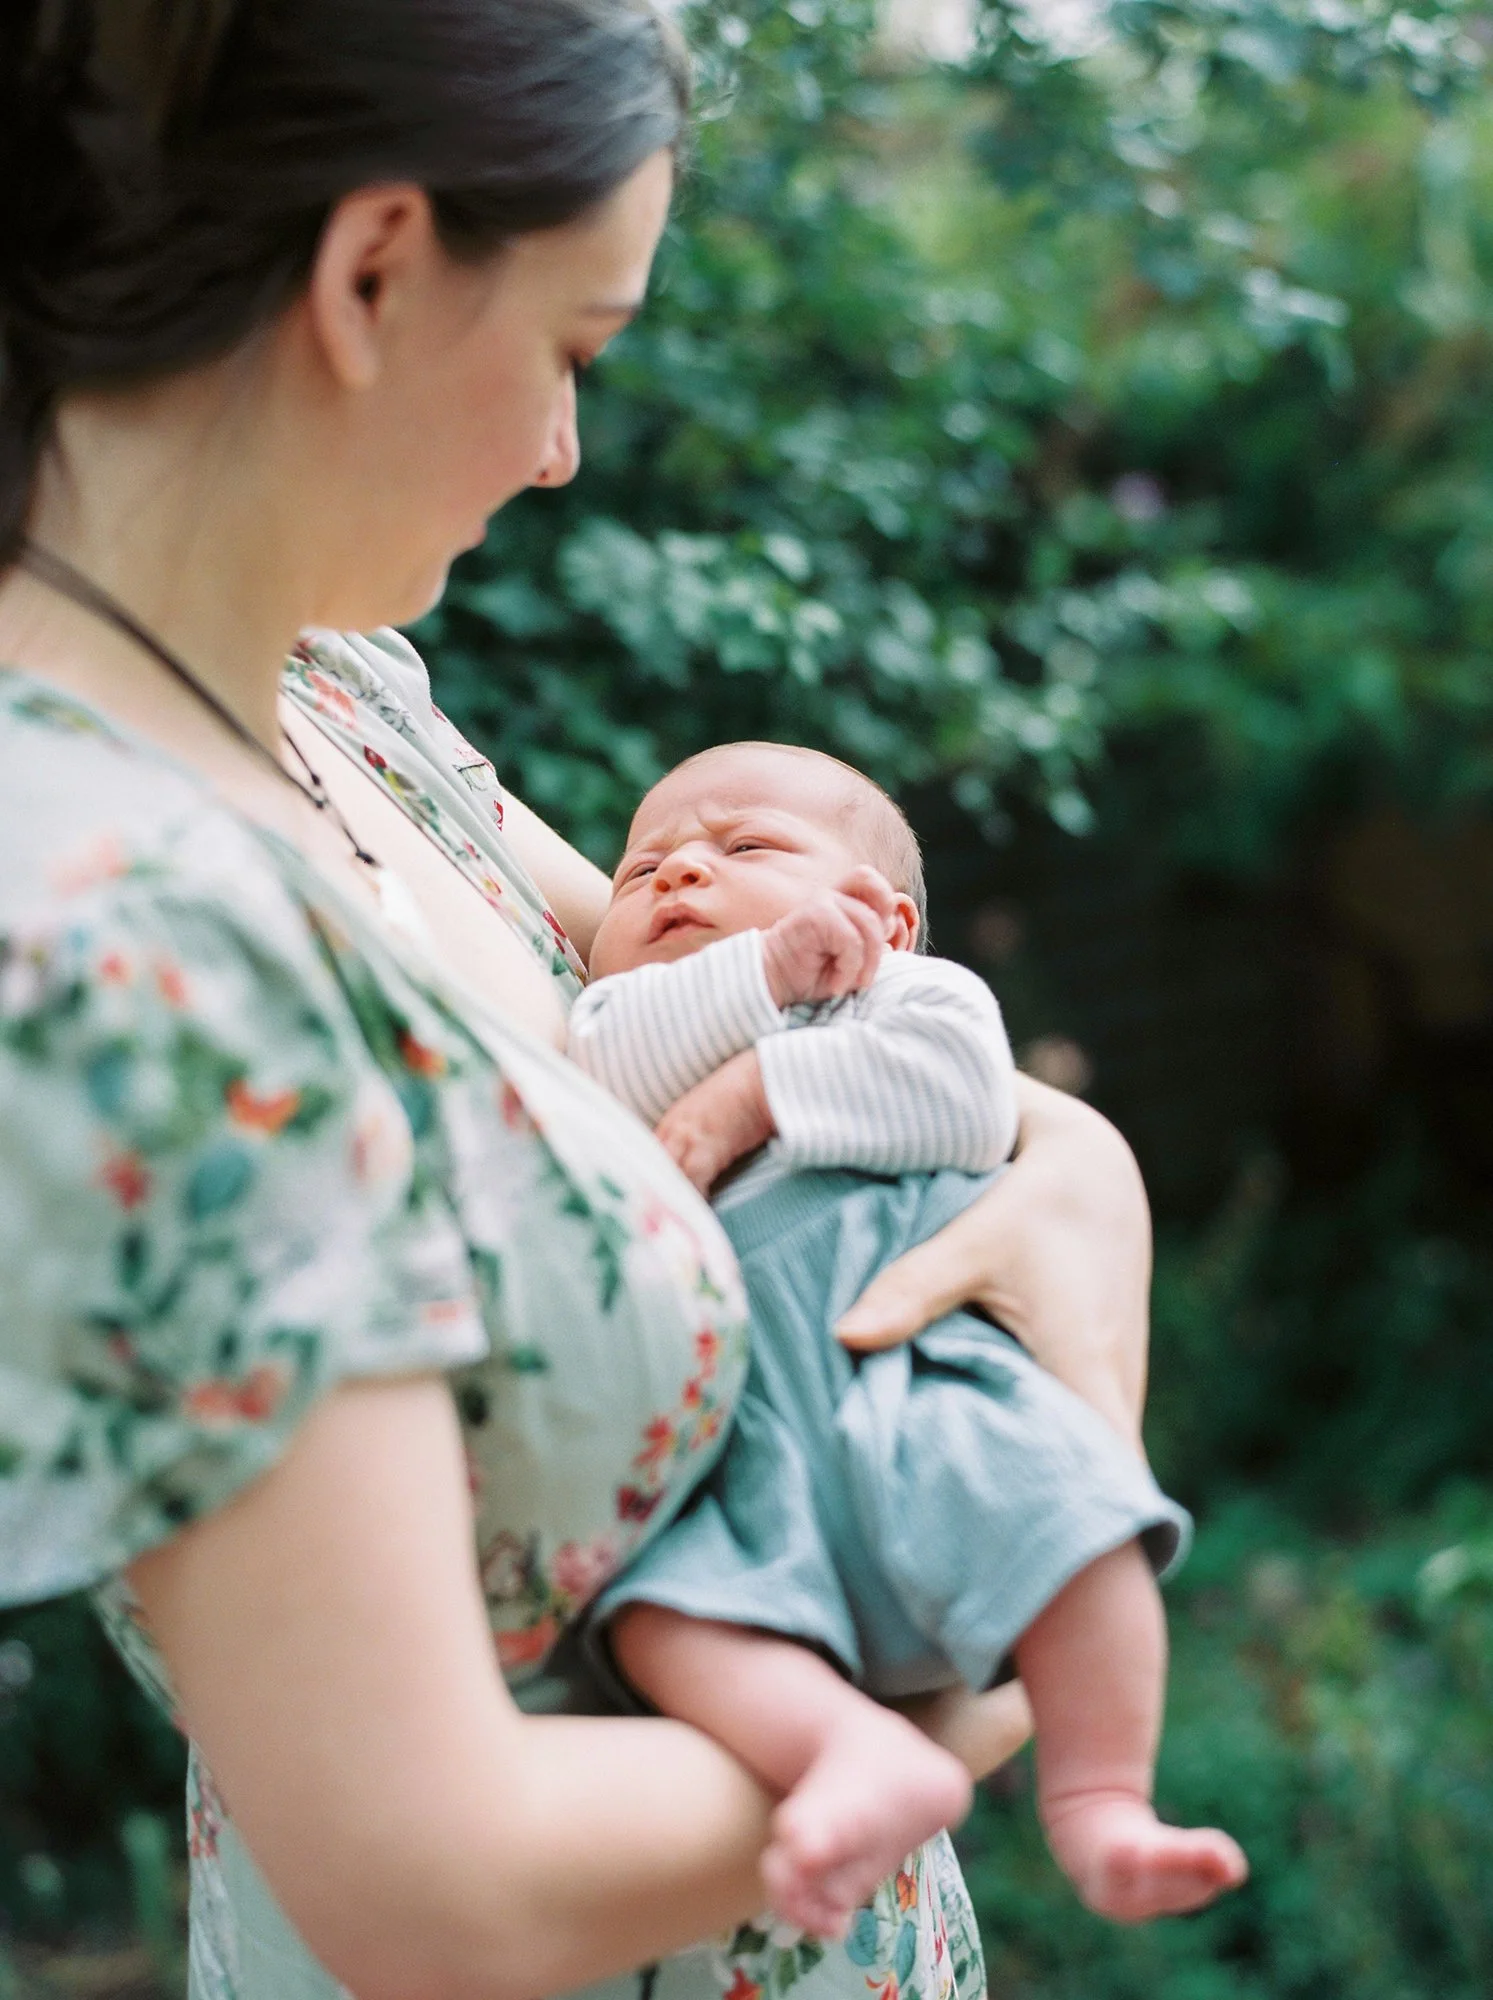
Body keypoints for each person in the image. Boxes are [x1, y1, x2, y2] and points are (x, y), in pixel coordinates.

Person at [0, 5, 1164, 1999]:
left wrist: (1075, 1178)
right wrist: (978, 1683)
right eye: (572, 346)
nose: (560, 450)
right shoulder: (121, 932)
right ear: (372, 271)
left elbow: (795, 996)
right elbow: (434, 1879)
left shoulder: (325, 692)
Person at [568, 742, 1246, 1939]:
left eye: (743, 845)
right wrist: (756, 973)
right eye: (637, 871)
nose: (676, 871)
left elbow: (967, 1100)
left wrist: (756, 1091)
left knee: (1078, 1524)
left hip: (914, 1368)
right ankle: (850, 1747)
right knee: (655, 1618)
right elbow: (616, 1062)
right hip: (741, 1439)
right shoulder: (614, 1025)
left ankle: (1097, 1796)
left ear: (883, 918)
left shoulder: (911, 998)